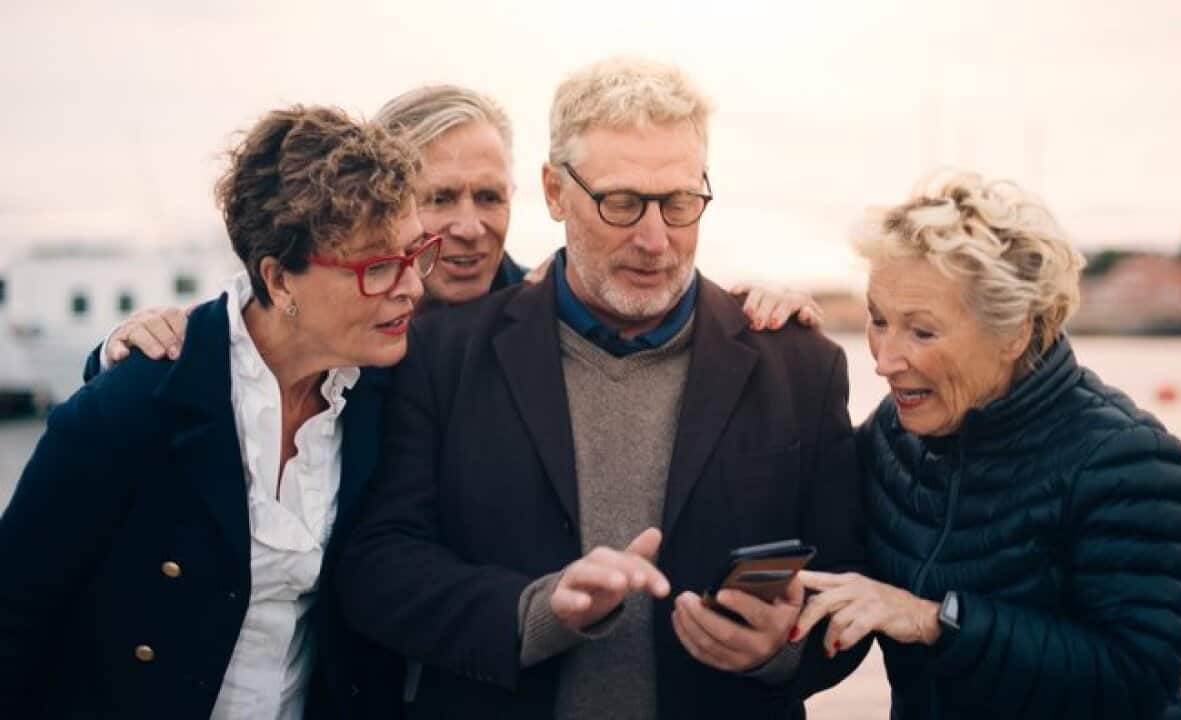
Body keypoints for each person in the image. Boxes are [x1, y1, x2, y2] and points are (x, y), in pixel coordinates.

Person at [336, 56, 866, 720]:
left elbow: (848, 587)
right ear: (555, 193)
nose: (654, 239)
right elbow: (378, 568)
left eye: (678, 203)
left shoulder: (800, 365)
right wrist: (535, 611)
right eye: (620, 203)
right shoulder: (438, 355)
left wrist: (777, 652)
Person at [0, 106, 431, 719]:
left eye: (416, 254)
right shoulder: (130, 410)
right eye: (378, 267)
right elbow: (13, 618)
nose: (412, 286)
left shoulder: (382, 392)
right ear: (279, 281)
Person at [790, 171, 1181, 719]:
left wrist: (936, 620)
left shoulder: (1130, 459)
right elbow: (811, 525)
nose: (884, 359)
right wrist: (766, 334)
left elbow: (1135, 677)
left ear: (1014, 332)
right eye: (878, 320)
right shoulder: (893, 436)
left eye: (922, 332)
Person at [89, 85, 822, 370]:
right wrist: (127, 341)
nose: (469, 229)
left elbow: (647, 293)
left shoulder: (536, 304)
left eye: (489, 197)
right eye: (440, 200)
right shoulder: (325, 314)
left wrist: (747, 304)